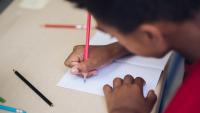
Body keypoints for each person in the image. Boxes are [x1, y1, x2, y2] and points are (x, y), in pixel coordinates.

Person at [64, 0, 200, 113]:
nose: (115, 39)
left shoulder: (190, 103)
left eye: (114, 35)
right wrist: (113, 50)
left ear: (150, 36)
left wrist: (125, 109)